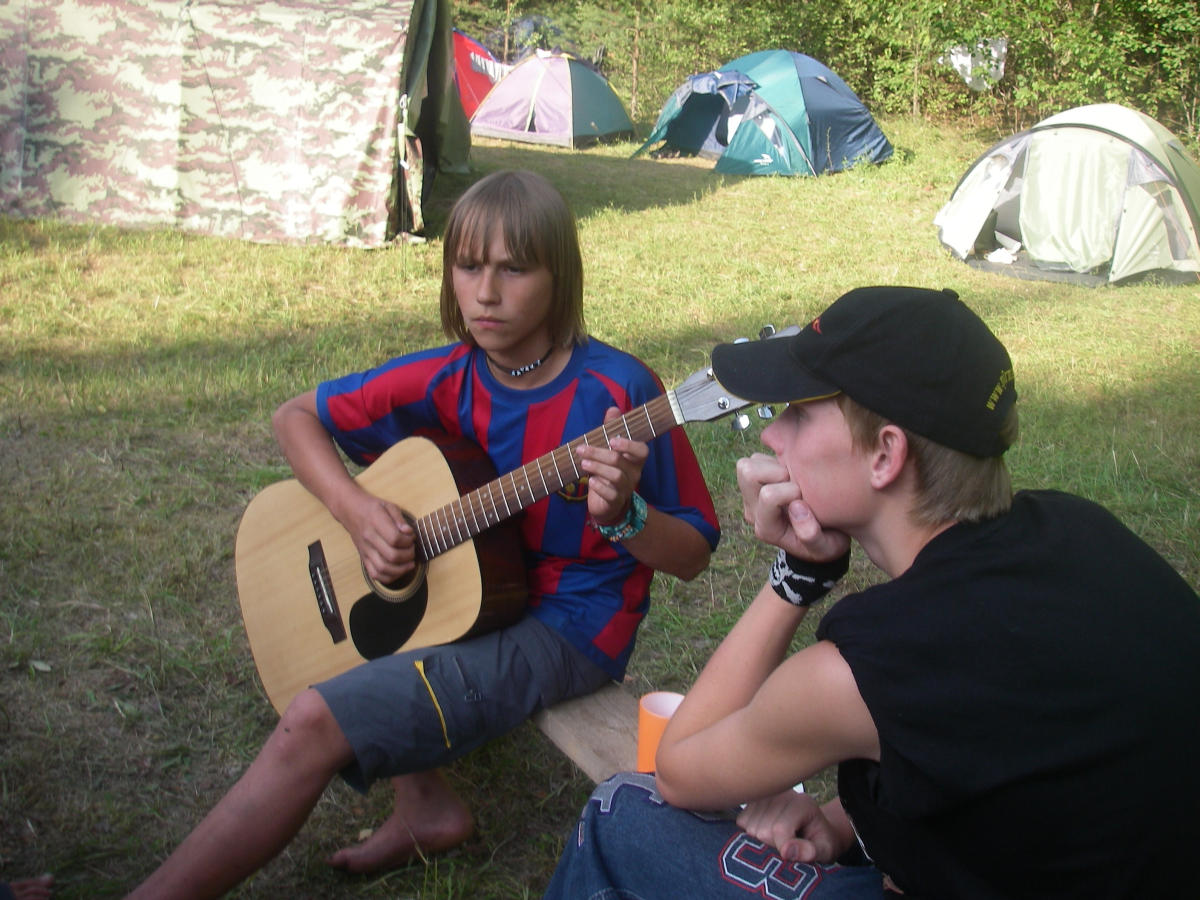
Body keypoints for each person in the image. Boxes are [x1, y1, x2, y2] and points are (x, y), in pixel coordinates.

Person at [127, 169, 719, 899]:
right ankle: (426, 804)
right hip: (484, 594)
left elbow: (693, 555)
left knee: (314, 718)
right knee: (417, 600)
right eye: (468, 266)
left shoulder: (619, 394)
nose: (486, 293)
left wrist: (624, 515)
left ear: (559, 278)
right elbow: (295, 417)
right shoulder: (447, 377)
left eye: (514, 269)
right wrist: (355, 510)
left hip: (569, 627)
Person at [544, 285, 1200, 899]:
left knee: (622, 815)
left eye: (800, 413)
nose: (772, 434)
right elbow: (1019, 762)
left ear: (885, 455)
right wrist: (848, 822)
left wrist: (796, 579)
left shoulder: (864, 673)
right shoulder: (1080, 529)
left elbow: (679, 771)